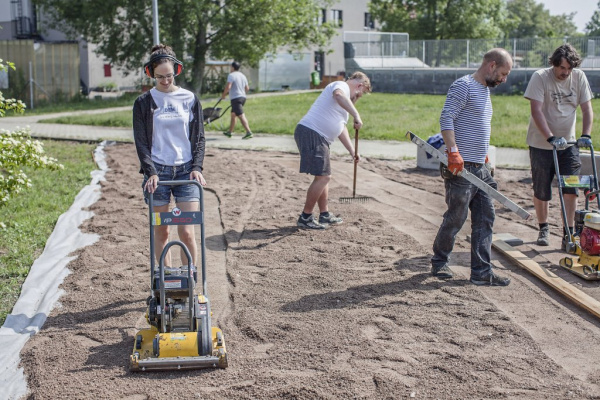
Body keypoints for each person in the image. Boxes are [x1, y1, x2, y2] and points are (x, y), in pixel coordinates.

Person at [431, 48, 513, 286]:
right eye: (503, 73)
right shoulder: (463, 85)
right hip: (461, 167)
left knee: (486, 217)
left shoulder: (485, 91)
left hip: (481, 167)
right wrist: (453, 151)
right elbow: (447, 118)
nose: (504, 79)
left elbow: (477, 126)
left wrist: (484, 155)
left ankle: (481, 272)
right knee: (456, 217)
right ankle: (439, 262)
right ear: (492, 65)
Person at [133, 43, 207, 270]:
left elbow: (200, 138)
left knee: (187, 231)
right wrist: (150, 171)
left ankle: (189, 281)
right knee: (162, 230)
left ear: (177, 70)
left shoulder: (189, 99)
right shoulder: (144, 103)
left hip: (186, 171)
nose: (165, 81)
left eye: (169, 76)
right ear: (150, 74)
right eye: (159, 77)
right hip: (158, 172)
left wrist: (197, 167)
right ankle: (165, 280)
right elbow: (141, 142)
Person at [524, 44, 594, 248]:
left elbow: (587, 109)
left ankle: (569, 233)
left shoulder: (579, 77)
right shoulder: (540, 77)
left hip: (569, 145)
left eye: (569, 69)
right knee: (542, 188)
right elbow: (536, 110)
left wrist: (586, 134)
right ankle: (544, 228)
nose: (566, 72)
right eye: (562, 68)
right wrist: (550, 137)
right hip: (541, 144)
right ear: (554, 64)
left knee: (571, 188)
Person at [294, 71, 371, 229]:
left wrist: (352, 151)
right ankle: (306, 217)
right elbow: (338, 95)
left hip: (318, 136)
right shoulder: (341, 86)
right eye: (360, 93)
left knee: (323, 176)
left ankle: (324, 214)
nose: (358, 96)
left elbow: (340, 128)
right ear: (359, 86)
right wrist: (356, 114)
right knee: (323, 177)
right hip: (312, 133)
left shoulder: (343, 103)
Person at [221, 61, 253, 139]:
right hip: (243, 97)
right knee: (233, 115)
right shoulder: (242, 76)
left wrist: (223, 95)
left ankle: (249, 132)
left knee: (241, 115)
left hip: (236, 98)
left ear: (232, 67)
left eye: (230, 67)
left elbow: (228, 87)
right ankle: (230, 132)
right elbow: (247, 88)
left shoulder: (231, 75)